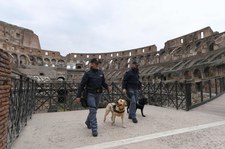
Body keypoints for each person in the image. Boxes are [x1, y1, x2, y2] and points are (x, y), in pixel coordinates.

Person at [75, 58, 109, 137]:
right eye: (96, 63)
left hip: (98, 94)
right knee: (93, 110)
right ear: (91, 64)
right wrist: (78, 96)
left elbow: (103, 82)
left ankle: (88, 122)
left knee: (94, 110)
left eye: (98, 64)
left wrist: (107, 87)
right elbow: (82, 85)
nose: (97, 65)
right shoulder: (88, 73)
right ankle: (94, 129)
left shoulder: (101, 73)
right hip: (90, 94)